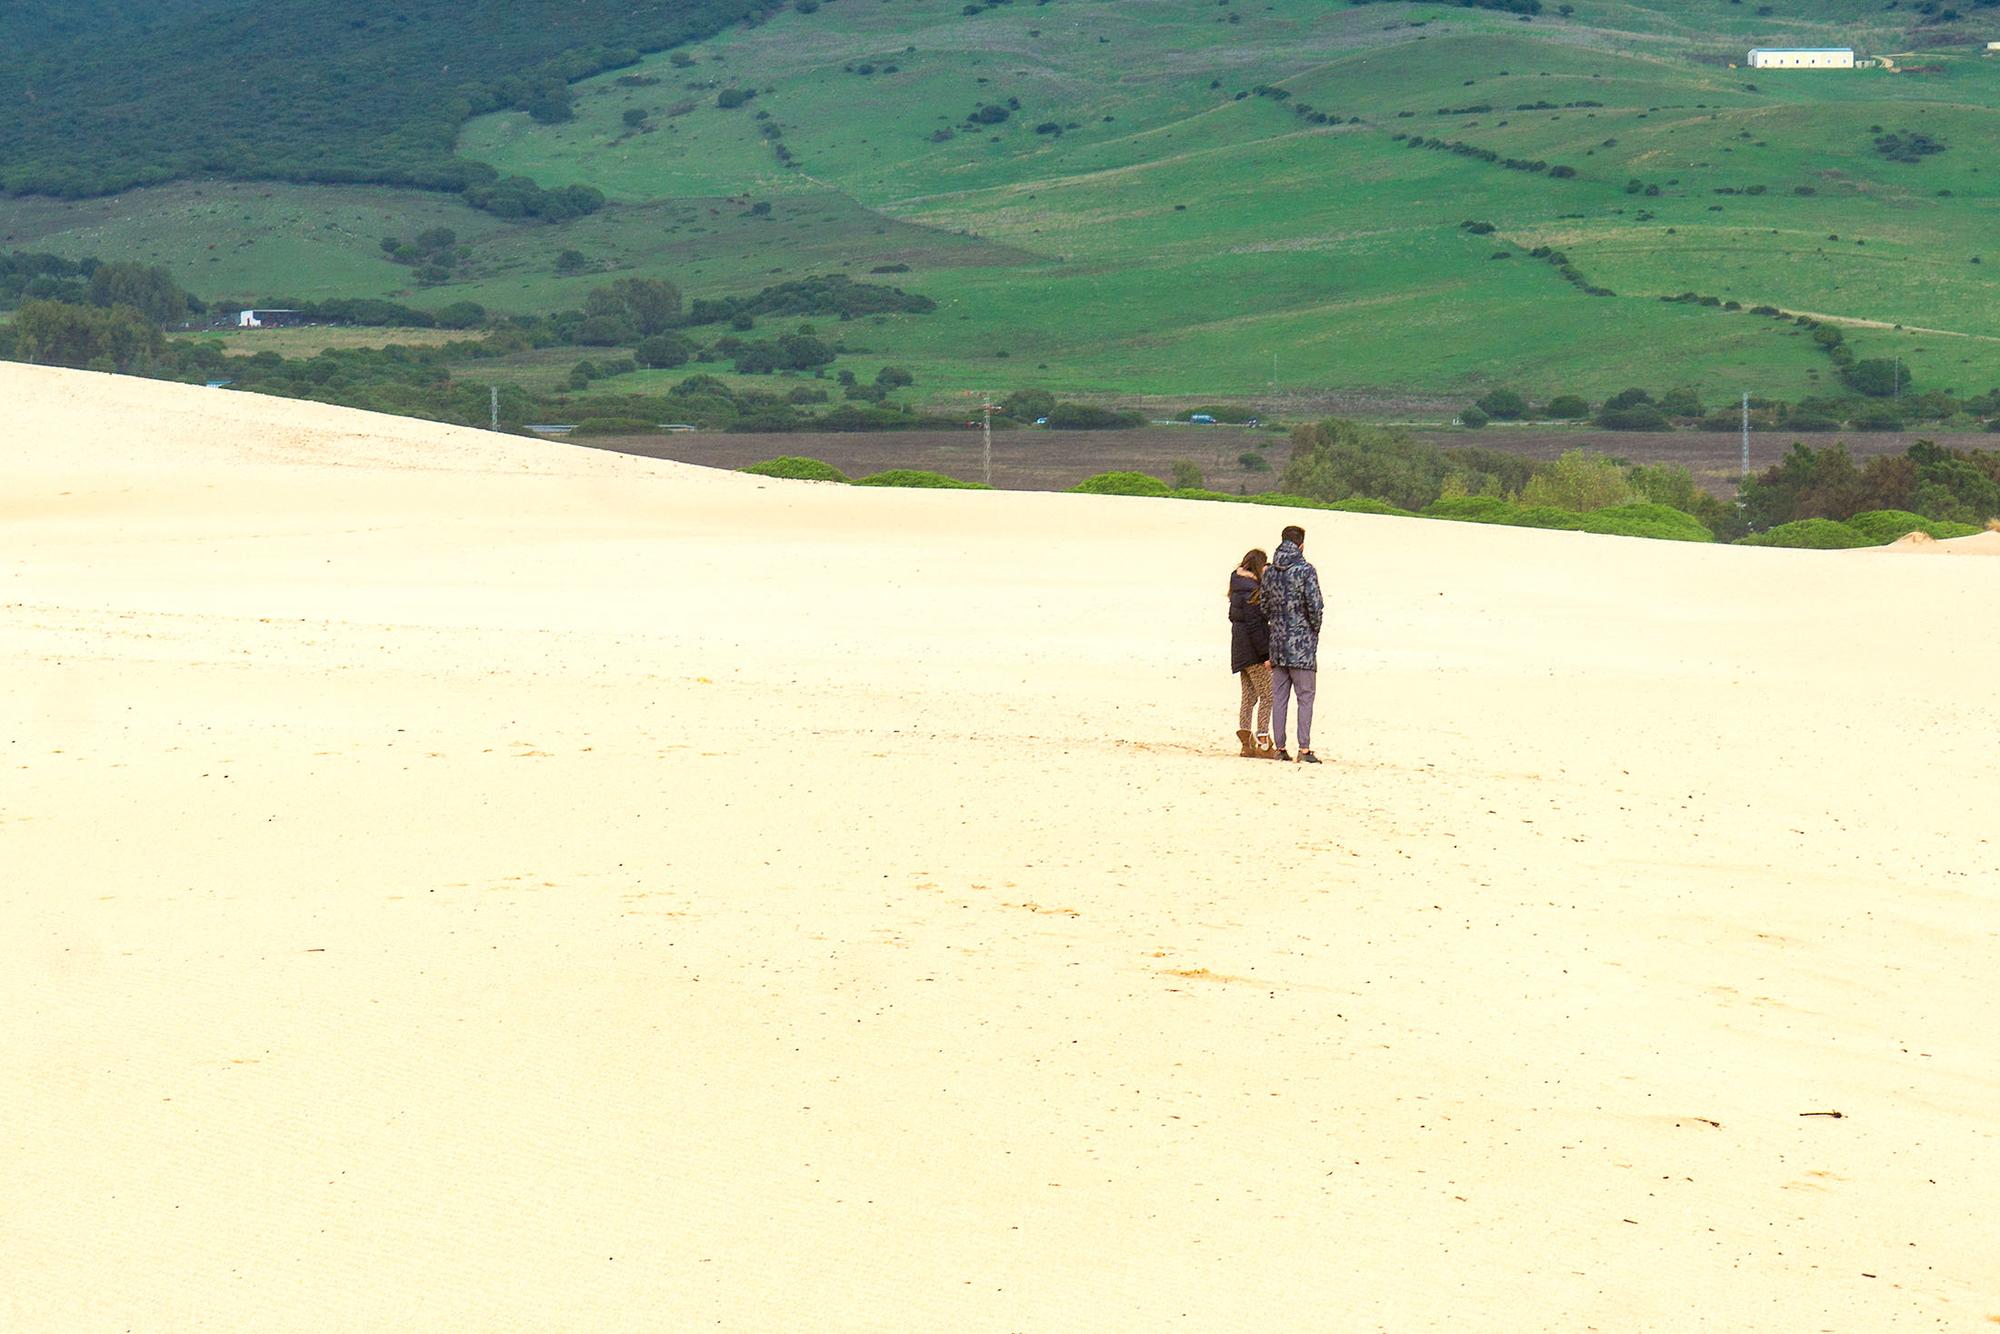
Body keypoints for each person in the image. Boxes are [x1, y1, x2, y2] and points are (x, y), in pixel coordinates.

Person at [1261, 524, 1325, 764]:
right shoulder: (1306, 570)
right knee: (1305, 696)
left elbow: (1265, 606)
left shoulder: (1269, 571)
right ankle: (1304, 748)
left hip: (1277, 643)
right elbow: (1315, 607)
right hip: (1301, 645)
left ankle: (1280, 748)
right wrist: (1313, 631)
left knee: (1279, 697)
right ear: (1301, 545)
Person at [1227, 549, 1276, 759]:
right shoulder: (1252, 592)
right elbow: (1255, 626)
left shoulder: (1237, 586)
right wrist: (1265, 654)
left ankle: (1246, 743)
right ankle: (1263, 739)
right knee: (1268, 695)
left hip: (1239, 650)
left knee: (1248, 696)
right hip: (1252, 652)